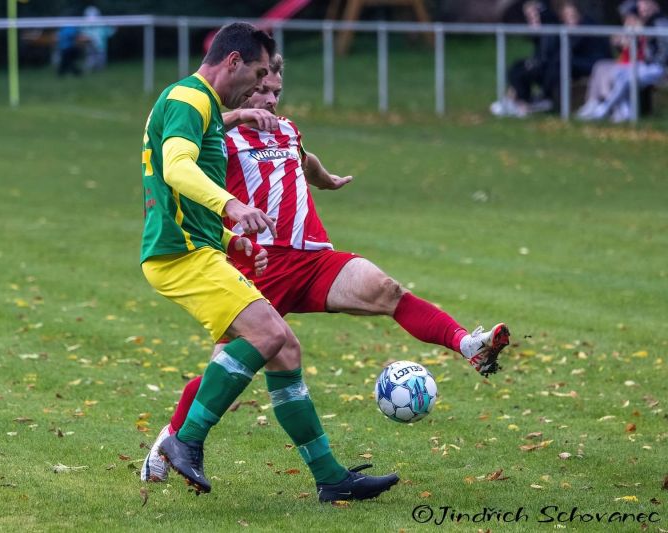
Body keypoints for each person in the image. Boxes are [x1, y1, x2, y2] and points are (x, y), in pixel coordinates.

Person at [142, 54, 511, 499]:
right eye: (262, 90)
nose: (270, 100)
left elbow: (303, 158)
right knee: (236, 367)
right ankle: (171, 441)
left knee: (385, 289)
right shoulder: (218, 129)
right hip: (258, 264)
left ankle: (465, 344)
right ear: (242, 86)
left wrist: (325, 179)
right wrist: (237, 116)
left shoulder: (285, 129)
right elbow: (187, 137)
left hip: (313, 257)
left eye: (277, 91)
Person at [139, 22, 400, 503]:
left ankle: (330, 477)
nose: (259, 86)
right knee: (269, 334)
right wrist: (232, 208)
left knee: (284, 351)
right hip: (180, 256)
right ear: (233, 62)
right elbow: (175, 169)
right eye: (257, 73)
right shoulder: (190, 99)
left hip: (196, 247)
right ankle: (184, 440)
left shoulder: (204, 107)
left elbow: (176, 192)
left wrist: (228, 239)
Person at [582, 0, 668, 122]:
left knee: (624, 78)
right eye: (641, 5)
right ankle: (619, 110)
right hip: (643, 65)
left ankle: (604, 109)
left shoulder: (659, 23)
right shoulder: (647, 23)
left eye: (646, 5)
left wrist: (635, 41)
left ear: (655, 5)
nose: (643, 8)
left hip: (656, 67)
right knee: (607, 70)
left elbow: (657, 53)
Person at [490, 1, 559, 117]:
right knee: (516, 67)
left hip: (549, 67)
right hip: (542, 63)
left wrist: (535, 63)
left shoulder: (550, 28)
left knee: (520, 72)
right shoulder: (540, 32)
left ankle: (519, 103)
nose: (531, 20)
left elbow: (547, 55)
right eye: (528, 16)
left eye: (533, 15)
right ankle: (512, 100)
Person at [540, 1, 610, 106]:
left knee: (560, 62)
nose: (570, 20)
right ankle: (549, 97)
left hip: (597, 64)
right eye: (567, 17)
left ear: (579, 14)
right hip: (585, 60)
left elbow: (571, 47)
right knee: (557, 62)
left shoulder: (585, 26)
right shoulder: (573, 29)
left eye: (572, 16)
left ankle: (548, 98)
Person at [80, 6, 116, 72]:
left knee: (100, 62)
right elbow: (82, 36)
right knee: (90, 59)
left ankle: (98, 71)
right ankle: (89, 70)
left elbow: (110, 32)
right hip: (90, 46)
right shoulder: (84, 25)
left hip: (101, 47)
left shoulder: (102, 25)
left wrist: (115, 26)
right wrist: (87, 40)